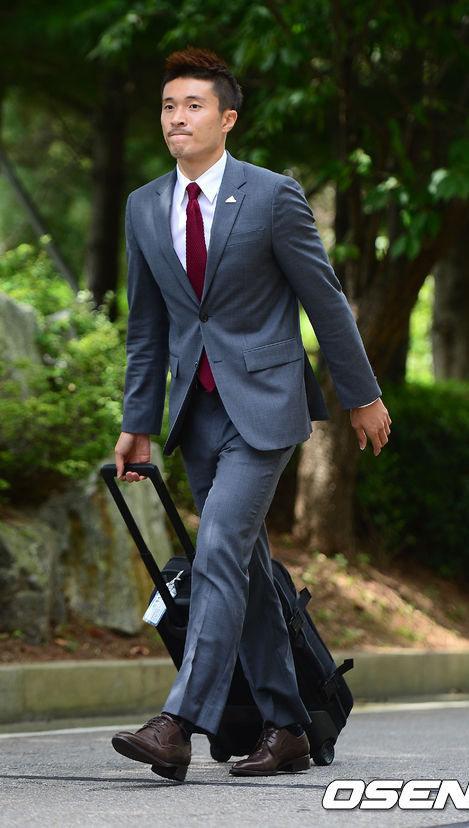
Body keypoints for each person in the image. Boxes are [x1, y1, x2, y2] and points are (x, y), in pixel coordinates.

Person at [111, 48, 391, 782]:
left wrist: (361, 395)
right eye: (169, 106)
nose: (177, 118)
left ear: (227, 118)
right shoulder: (144, 205)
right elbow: (147, 327)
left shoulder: (271, 195)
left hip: (265, 404)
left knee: (219, 549)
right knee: (246, 565)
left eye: (193, 105)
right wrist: (138, 422)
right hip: (195, 411)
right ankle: (289, 725)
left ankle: (178, 724)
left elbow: (324, 298)